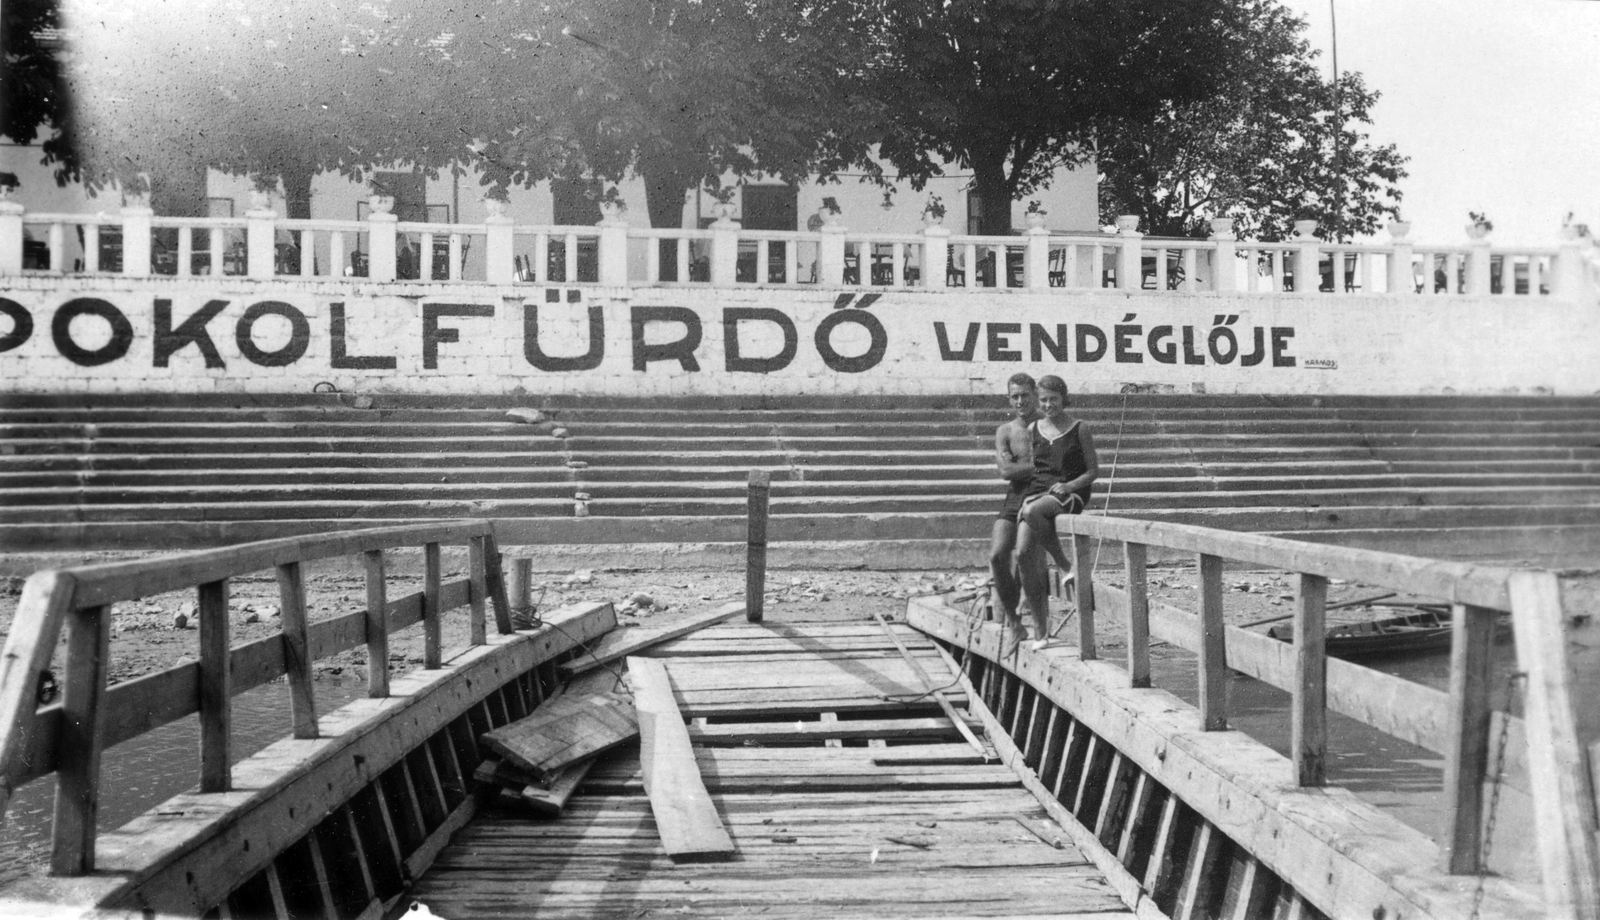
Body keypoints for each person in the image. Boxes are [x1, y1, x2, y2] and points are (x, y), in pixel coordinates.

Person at [991, 373, 1076, 660]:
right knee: (997, 556)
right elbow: (1005, 472)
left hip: (1040, 494)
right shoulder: (1005, 431)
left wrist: (1028, 468)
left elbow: (1056, 467)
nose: (1020, 401)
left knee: (1027, 558)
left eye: (1025, 395)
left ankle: (1041, 626)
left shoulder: (1046, 427)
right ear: (1008, 399)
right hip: (1015, 495)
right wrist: (1037, 466)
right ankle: (1015, 625)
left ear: (1034, 395)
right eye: (1014, 396)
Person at [1012, 375, 1098, 656]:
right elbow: (1036, 470)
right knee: (1023, 553)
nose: (1049, 405)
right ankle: (1040, 628)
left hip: (1070, 493)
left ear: (1064, 398)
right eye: (1044, 400)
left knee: (1033, 510)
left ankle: (1063, 565)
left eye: (1054, 399)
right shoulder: (1034, 427)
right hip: (1040, 492)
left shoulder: (1079, 428)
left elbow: (1092, 472)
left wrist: (1070, 485)